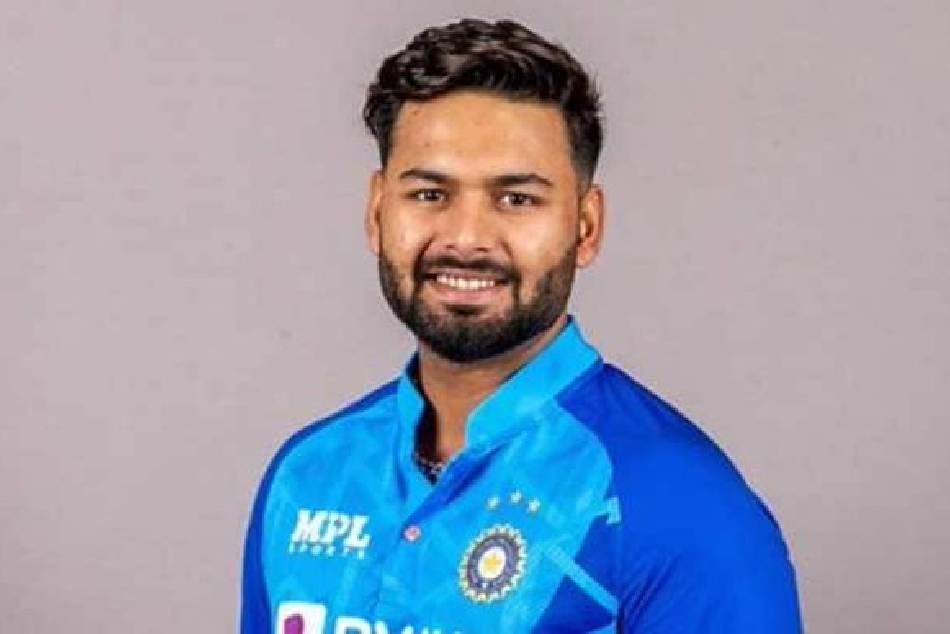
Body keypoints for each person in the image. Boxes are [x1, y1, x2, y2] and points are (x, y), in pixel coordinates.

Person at [240, 17, 802, 633]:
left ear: (586, 227)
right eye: (429, 194)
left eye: (517, 199)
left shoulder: (680, 508)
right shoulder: (309, 477)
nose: (466, 238)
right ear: (377, 213)